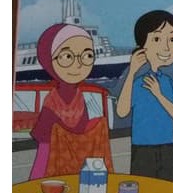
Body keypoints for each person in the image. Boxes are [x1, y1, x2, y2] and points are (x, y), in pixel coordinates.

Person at [28, 23, 113, 179]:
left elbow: (81, 131)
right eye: (67, 57)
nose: (78, 64)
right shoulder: (52, 101)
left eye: (87, 56)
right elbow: (44, 145)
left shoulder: (78, 97)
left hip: (78, 164)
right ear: (49, 60)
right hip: (51, 162)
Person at [116, 10, 173, 182]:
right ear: (142, 47)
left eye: (172, 39)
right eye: (157, 39)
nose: (167, 47)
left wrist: (159, 95)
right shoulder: (137, 82)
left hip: (167, 147)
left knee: (169, 191)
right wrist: (132, 72)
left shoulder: (167, 82)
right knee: (144, 191)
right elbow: (122, 111)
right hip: (142, 149)